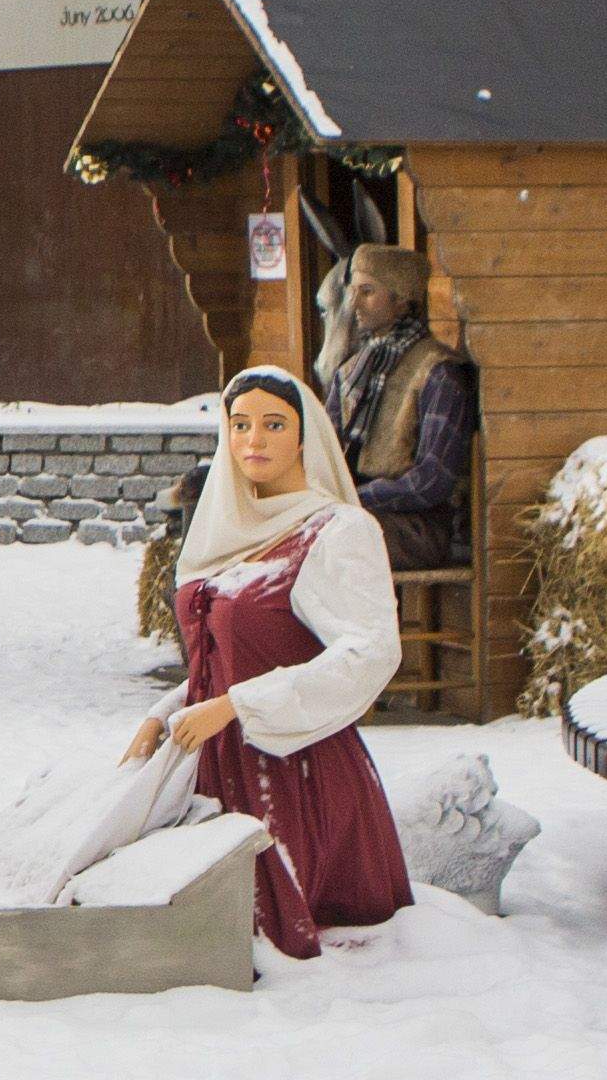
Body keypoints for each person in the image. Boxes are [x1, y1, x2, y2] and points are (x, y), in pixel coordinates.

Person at [124, 363, 408, 958]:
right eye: (240, 424)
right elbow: (218, 661)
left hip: (293, 779)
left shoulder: (336, 531)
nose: (253, 440)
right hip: (207, 770)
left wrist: (239, 706)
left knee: (268, 960)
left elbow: (369, 653)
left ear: (305, 437)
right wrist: (163, 713)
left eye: (274, 425)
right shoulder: (225, 536)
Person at [318, 242, 473, 577]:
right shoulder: (351, 372)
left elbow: (432, 480)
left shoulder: (437, 372)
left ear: (402, 299)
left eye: (368, 292)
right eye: (353, 292)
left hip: (418, 527)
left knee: (323, 546)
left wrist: (354, 499)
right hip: (354, 515)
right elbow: (323, 452)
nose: (354, 303)